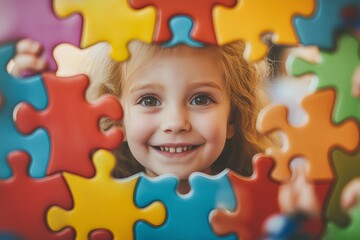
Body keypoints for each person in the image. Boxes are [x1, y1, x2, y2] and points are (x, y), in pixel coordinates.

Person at [11, 38, 271, 193]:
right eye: (149, 100)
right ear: (116, 119)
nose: (176, 123)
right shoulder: (91, 203)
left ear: (233, 118)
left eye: (201, 99)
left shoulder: (262, 202)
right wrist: (21, 92)